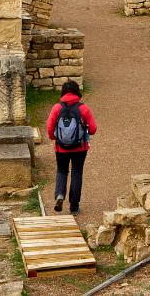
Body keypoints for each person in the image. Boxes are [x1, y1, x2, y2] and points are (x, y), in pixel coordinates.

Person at [45, 80, 97, 215]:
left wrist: (53, 138)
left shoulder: (57, 108)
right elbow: (93, 129)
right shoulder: (83, 108)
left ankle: (60, 195)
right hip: (80, 148)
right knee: (76, 173)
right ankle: (74, 207)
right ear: (77, 92)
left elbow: (49, 127)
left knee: (61, 171)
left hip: (61, 148)